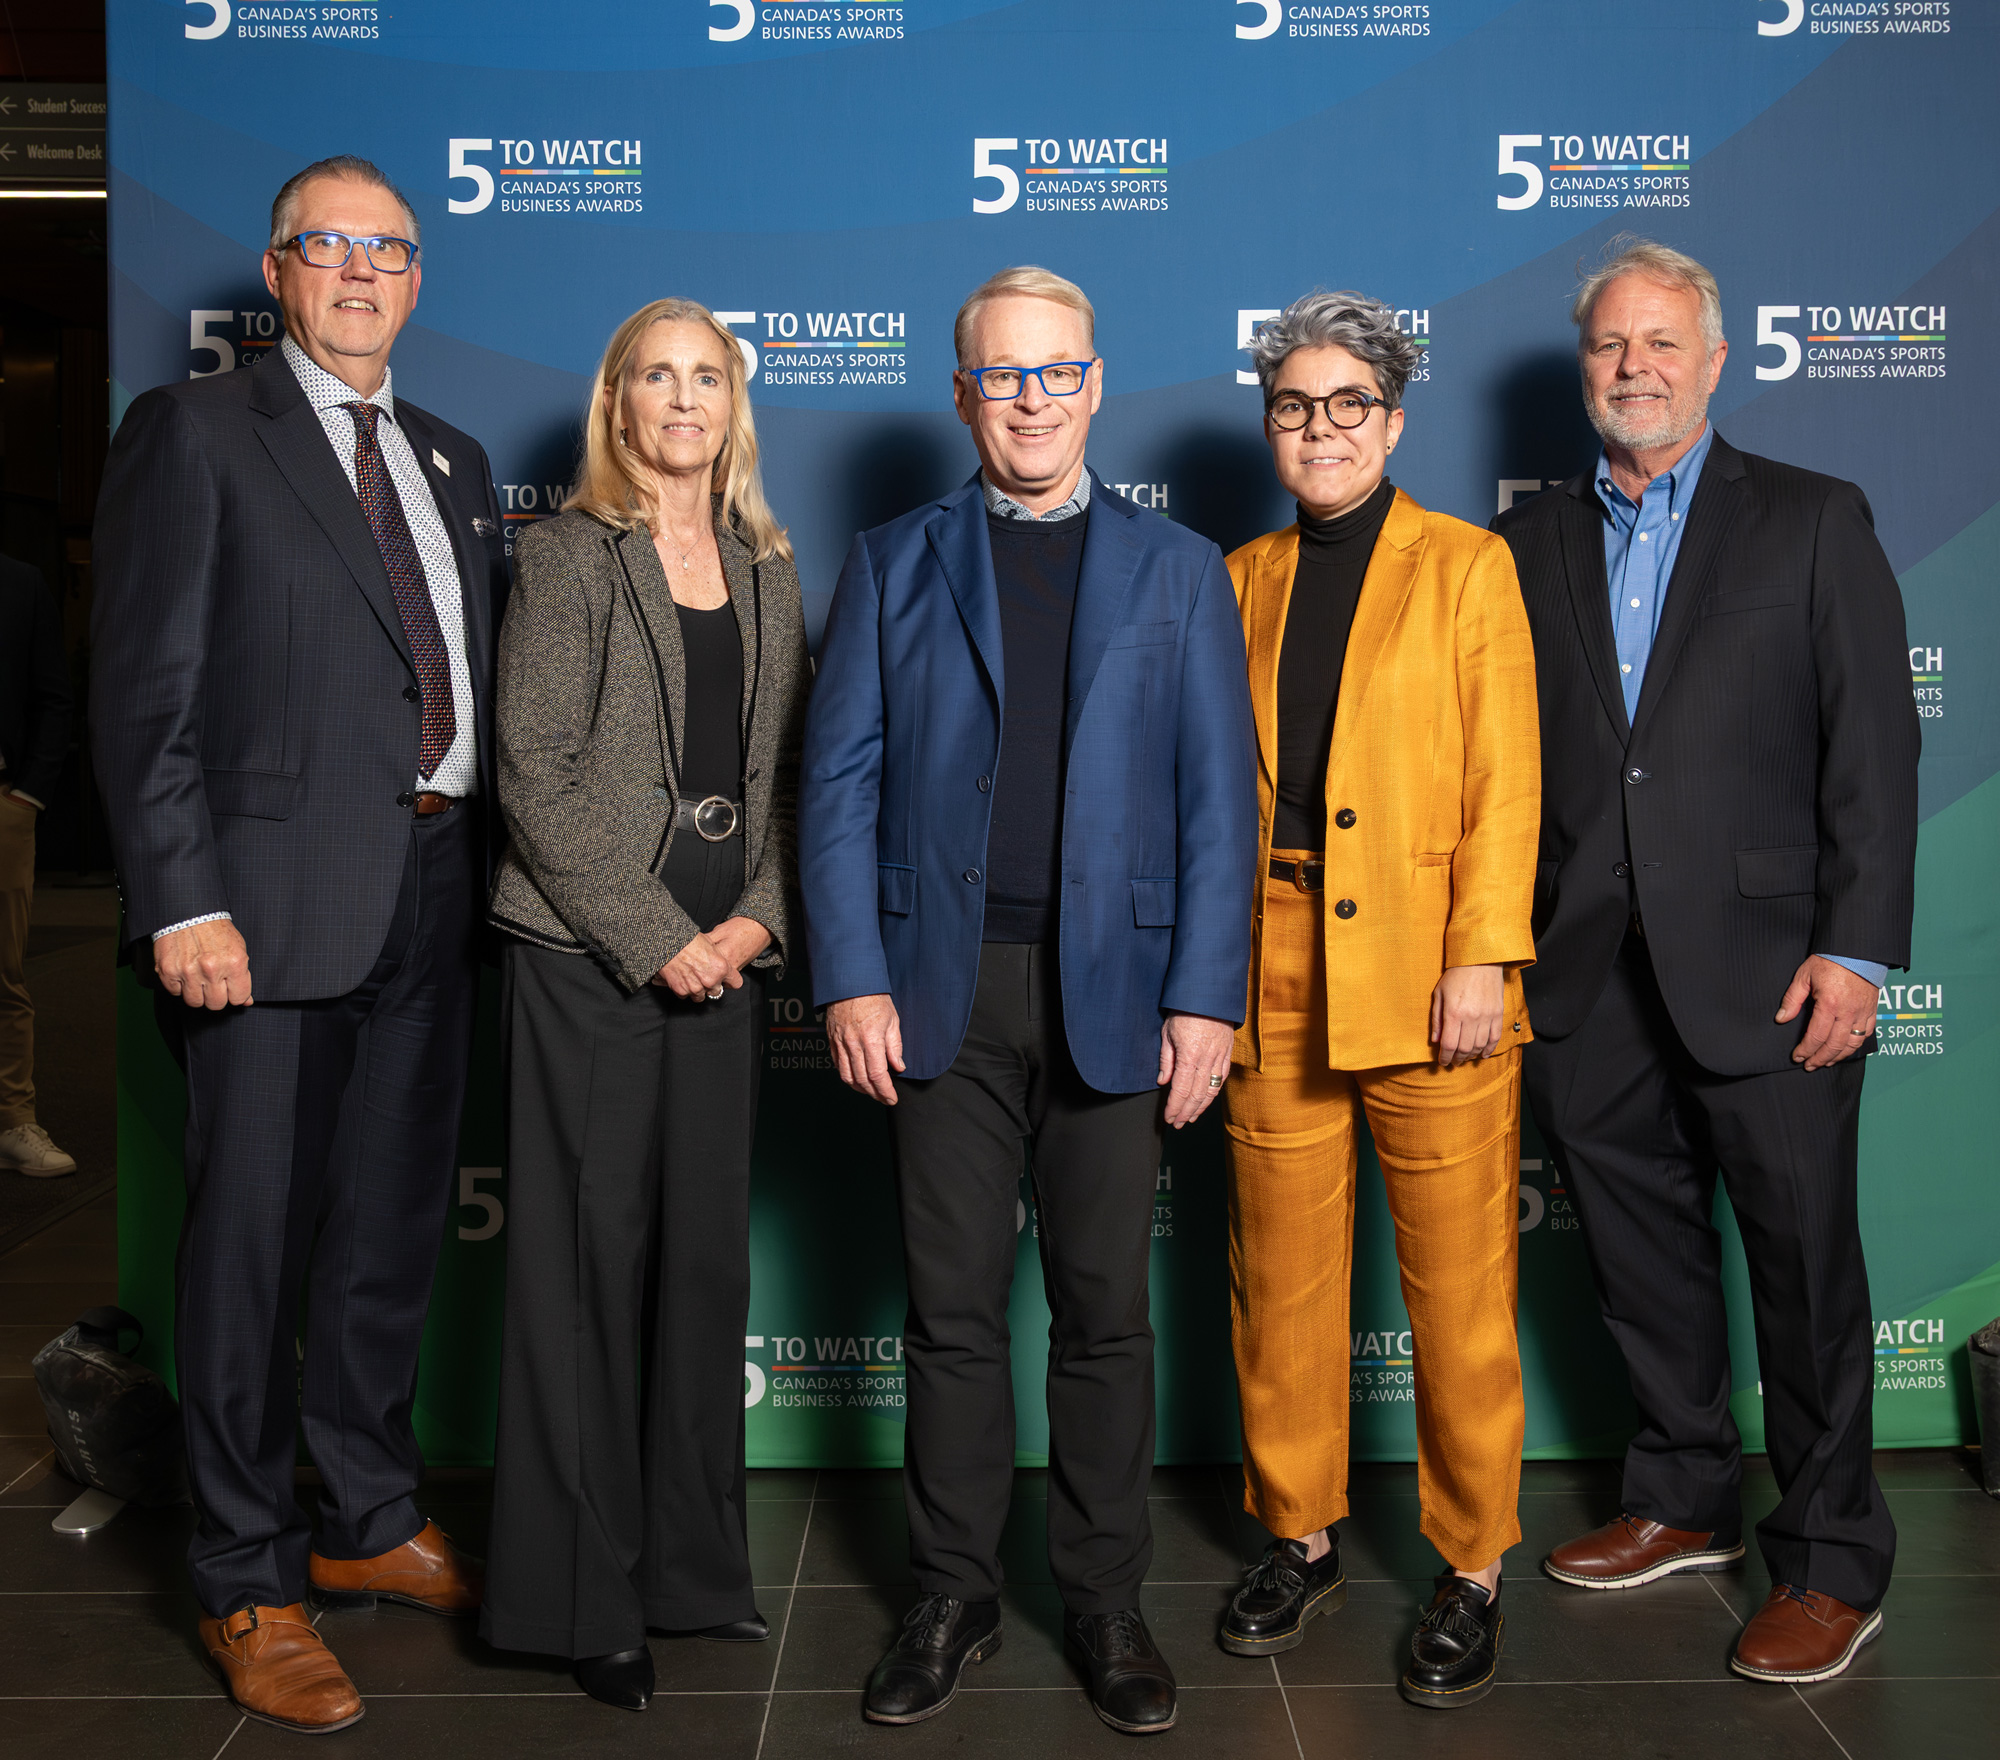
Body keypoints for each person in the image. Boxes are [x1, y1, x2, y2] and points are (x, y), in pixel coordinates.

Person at [799, 265, 1257, 1736]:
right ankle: (953, 1594)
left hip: (1121, 991)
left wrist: (1207, 995)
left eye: (1057, 371)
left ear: (1098, 384)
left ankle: (1107, 1602)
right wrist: (851, 972)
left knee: (1108, 1316)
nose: (1033, 398)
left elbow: (1215, 806)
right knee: (949, 1316)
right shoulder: (891, 559)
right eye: (1004, 375)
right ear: (962, 393)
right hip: (942, 983)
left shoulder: (1179, 570)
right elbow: (840, 782)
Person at [92, 155, 504, 1734]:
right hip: (258, 913)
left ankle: (366, 1520)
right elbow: (145, 690)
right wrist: (182, 898)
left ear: (415, 280)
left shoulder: (453, 460)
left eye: (385, 252)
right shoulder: (195, 434)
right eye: (325, 247)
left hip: (434, 890)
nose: (356, 274)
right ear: (275, 273)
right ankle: (246, 1577)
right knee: (250, 1249)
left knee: (388, 1232)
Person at [1493, 237, 1919, 1684]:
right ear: (1585, 365)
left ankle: (1832, 1560)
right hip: (1589, 971)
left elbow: (1873, 747)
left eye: (1663, 342)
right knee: (1638, 1259)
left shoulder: (1808, 519)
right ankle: (1682, 1498)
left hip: (1774, 970)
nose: (1636, 367)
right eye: (1613, 345)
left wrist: (1856, 952)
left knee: (1804, 1277)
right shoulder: (1529, 541)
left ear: (1717, 359)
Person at [479, 299, 807, 1710]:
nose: (683, 399)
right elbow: (533, 771)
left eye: (707, 377)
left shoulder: (768, 564)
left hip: (729, 961)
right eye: (656, 377)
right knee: (578, 1285)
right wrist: (658, 936)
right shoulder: (562, 556)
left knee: (699, 1276)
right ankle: (574, 1598)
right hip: (586, 961)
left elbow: (794, 771)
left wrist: (756, 920)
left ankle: (687, 1570)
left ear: (736, 404)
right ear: (615, 405)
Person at [1218, 293, 1539, 1708]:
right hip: (1270, 962)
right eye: (1296, 404)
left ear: (1395, 422)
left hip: (1431, 972)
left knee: (1459, 1294)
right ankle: (1300, 1530)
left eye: (1350, 403)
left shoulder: (1468, 567)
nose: (1322, 427)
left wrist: (1484, 952)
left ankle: (1472, 1563)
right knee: (1278, 1287)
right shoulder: (1237, 576)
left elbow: (1507, 778)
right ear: (1271, 425)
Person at [0, 551, 76, 1177]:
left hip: (3, 804)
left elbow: (55, 699)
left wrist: (27, 796)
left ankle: (12, 1121)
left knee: (5, 973)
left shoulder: (19, 582)